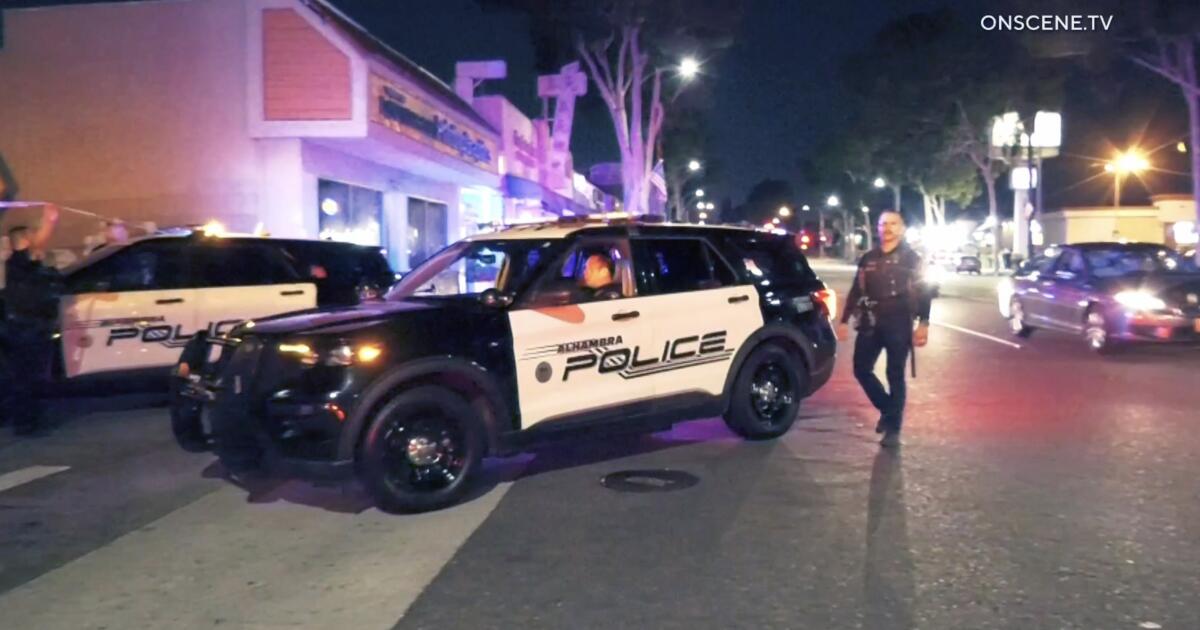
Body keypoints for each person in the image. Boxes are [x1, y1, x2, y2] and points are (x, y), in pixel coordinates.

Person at [835, 210, 933, 448]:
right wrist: (844, 320)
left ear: (901, 228)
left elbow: (924, 292)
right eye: (883, 224)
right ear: (877, 228)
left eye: (893, 223)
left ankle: (893, 429)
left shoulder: (912, 259)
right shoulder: (868, 258)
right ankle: (889, 409)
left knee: (894, 374)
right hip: (871, 321)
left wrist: (924, 323)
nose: (887, 228)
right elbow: (856, 290)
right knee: (861, 369)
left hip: (899, 322)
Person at [2, 203, 61, 435]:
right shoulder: (19, 262)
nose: (37, 240)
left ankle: (28, 419)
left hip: (30, 327)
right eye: (32, 236)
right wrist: (49, 220)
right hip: (25, 329)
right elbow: (38, 244)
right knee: (26, 377)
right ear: (24, 241)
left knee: (30, 377)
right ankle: (25, 422)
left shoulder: (28, 266)